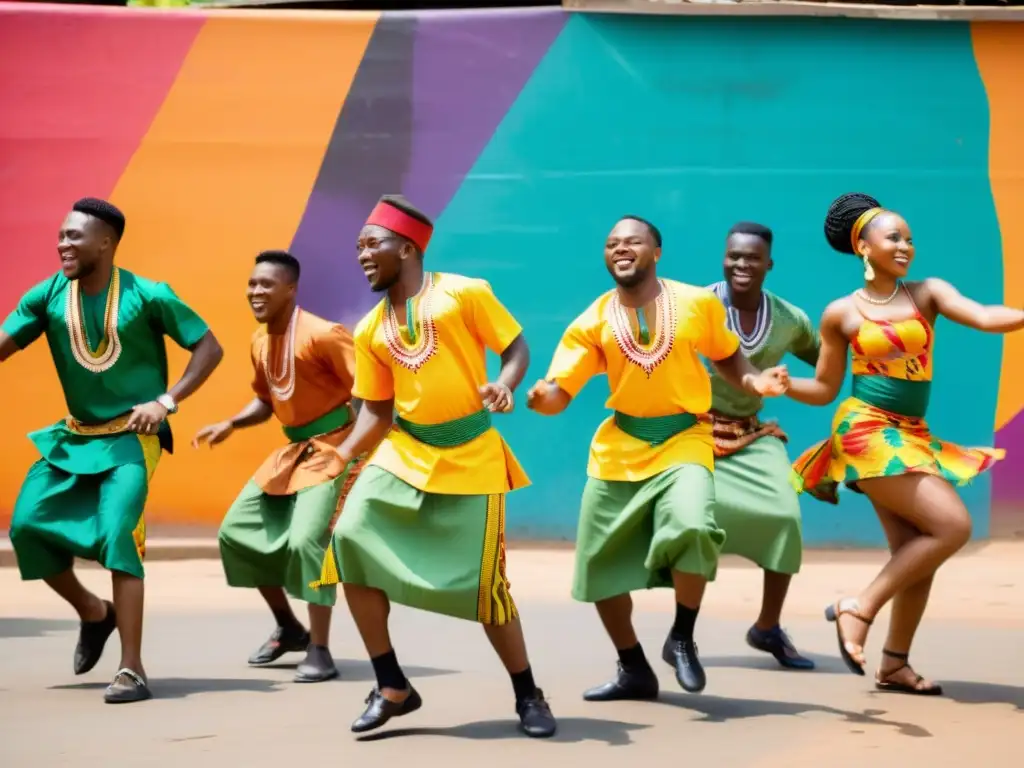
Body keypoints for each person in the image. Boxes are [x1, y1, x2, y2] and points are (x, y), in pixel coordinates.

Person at [308, 194, 557, 738]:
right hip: (404, 452)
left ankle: (528, 693)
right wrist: (342, 453)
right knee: (347, 543)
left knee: (489, 587)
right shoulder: (371, 327)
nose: (363, 256)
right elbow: (376, 411)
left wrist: (505, 385)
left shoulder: (465, 293)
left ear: (408, 246)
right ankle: (392, 684)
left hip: (472, 455)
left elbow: (515, 349)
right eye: (358, 248)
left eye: (372, 245)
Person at [526, 215, 789, 702]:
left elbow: (728, 356)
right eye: (611, 244)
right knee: (596, 565)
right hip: (619, 448)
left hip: (684, 437)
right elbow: (561, 390)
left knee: (692, 526)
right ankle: (633, 669)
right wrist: (543, 399)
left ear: (656, 252)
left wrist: (754, 381)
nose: (621, 249)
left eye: (633, 242)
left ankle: (682, 637)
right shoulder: (593, 320)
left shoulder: (696, 303)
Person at [788, 192, 1022, 695]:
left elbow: (984, 317)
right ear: (863, 248)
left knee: (915, 549)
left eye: (909, 239)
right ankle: (859, 607)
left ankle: (894, 663)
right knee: (952, 526)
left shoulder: (928, 293)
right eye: (893, 237)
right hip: (866, 433)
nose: (905, 246)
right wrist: (783, 385)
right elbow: (825, 389)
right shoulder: (840, 313)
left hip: (911, 434)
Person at [0, 197, 223, 703]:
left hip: (132, 438)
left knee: (118, 533)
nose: (62, 243)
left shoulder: (148, 295)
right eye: (60, 235)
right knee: (27, 528)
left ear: (106, 242)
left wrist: (166, 401)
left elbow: (209, 346)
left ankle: (132, 669)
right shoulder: (48, 295)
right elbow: (5, 342)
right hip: (75, 436)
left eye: (74, 236)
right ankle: (93, 612)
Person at [192, 250, 367, 683]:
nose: (255, 291)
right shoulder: (259, 340)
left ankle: (320, 649)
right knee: (237, 533)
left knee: (307, 542)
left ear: (291, 289)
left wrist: (355, 451)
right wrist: (232, 422)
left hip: (332, 451)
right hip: (292, 454)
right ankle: (289, 627)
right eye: (252, 284)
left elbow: (370, 391)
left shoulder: (325, 334)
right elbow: (268, 399)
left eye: (266, 284)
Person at [702, 222, 819, 670]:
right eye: (734, 256)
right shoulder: (696, 307)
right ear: (723, 259)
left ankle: (767, 627)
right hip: (689, 431)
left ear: (769, 264)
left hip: (749, 431)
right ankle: (682, 634)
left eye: (752, 258)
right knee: (688, 521)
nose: (742, 264)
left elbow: (827, 359)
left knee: (786, 515)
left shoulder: (790, 320)